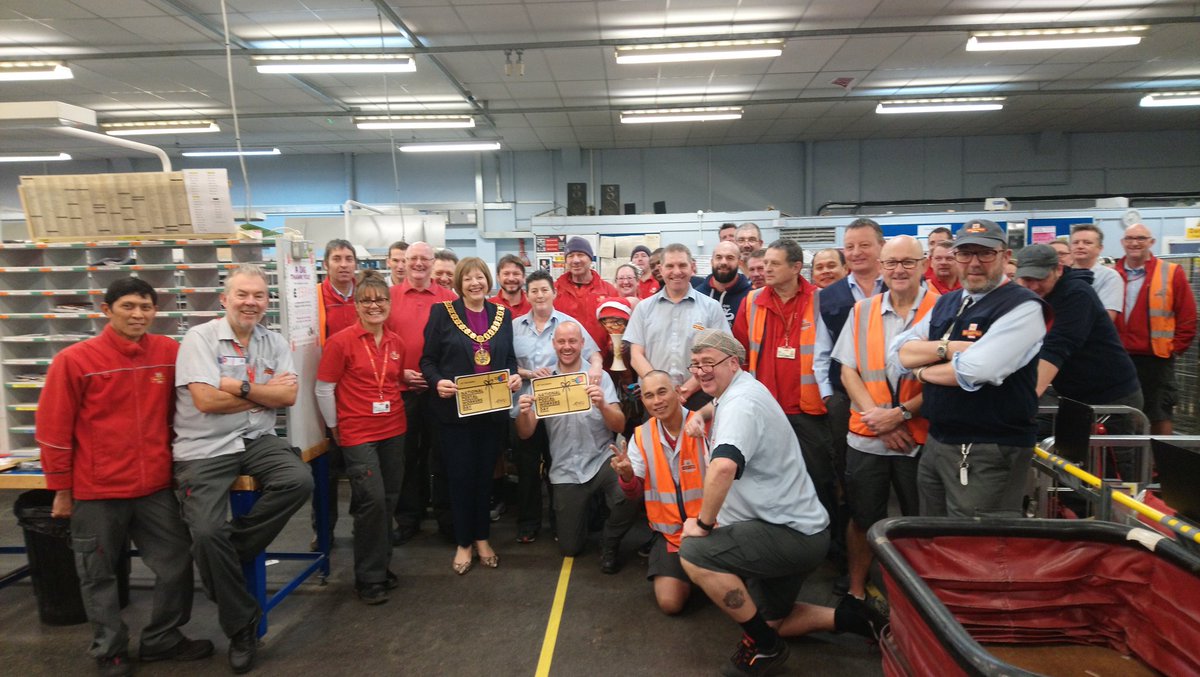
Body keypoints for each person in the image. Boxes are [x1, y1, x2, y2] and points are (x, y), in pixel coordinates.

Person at [678, 330, 879, 677]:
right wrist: (704, 413)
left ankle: (765, 648)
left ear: (732, 363)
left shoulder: (741, 405)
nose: (700, 371)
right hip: (801, 527)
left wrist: (705, 523)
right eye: (695, 365)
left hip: (785, 534)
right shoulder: (742, 387)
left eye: (708, 363)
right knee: (775, 621)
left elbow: (724, 466)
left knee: (695, 553)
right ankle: (859, 620)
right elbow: (724, 400)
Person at [38, 278, 212, 677]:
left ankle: (163, 638)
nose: (138, 315)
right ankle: (109, 648)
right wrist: (61, 491)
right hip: (96, 490)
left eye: (146, 307)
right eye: (129, 306)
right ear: (106, 310)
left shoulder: (169, 353)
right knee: (98, 573)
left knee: (175, 563)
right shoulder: (75, 360)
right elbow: (53, 430)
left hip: (154, 488)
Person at [172, 264, 313, 674]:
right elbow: (205, 401)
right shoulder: (199, 339)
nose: (251, 302)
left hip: (256, 440)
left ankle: (227, 556)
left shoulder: (272, 342)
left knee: (297, 480)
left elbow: (287, 396)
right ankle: (242, 626)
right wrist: (262, 396)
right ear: (225, 298)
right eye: (243, 295)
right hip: (206, 447)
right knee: (205, 531)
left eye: (259, 296)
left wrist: (238, 386)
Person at [894, 219, 1048, 518]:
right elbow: (896, 354)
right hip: (939, 442)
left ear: (1005, 257)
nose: (973, 263)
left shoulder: (1024, 307)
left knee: (977, 549)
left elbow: (976, 370)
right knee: (934, 541)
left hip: (987, 450)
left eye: (985, 254)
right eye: (965, 254)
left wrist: (921, 372)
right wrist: (947, 349)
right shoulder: (948, 302)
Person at [833, 236, 937, 603]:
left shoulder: (943, 311)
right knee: (862, 518)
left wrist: (901, 416)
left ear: (924, 264)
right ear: (881, 266)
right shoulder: (862, 312)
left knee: (918, 523)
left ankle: (915, 599)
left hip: (919, 437)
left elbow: (951, 376)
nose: (899, 270)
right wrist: (879, 419)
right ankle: (857, 591)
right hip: (868, 435)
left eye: (908, 262)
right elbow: (848, 370)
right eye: (891, 263)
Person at [421, 257, 522, 574]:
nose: (475, 283)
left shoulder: (502, 315)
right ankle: (464, 542)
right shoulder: (442, 313)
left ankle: (482, 538)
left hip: (491, 413)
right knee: (460, 479)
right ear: (459, 283)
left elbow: (509, 360)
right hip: (455, 414)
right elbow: (428, 360)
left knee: (485, 479)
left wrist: (516, 377)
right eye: (468, 279)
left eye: (480, 277)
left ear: (488, 280)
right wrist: (438, 382)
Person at [315, 271, 406, 605]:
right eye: (366, 300)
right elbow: (324, 387)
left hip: (394, 428)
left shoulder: (396, 342)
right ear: (356, 305)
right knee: (370, 501)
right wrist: (334, 427)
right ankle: (368, 577)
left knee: (388, 500)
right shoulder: (341, 342)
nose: (374, 305)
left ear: (389, 303)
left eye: (380, 299)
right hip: (357, 432)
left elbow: (393, 381)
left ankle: (380, 565)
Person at [730, 239, 836, 523]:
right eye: (765, 263)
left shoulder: (820, 300)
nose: (766, 269)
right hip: (765, 410)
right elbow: (740, 353)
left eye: (775, 264)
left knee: (820, 479)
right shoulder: (752, 302)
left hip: (809, 411)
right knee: (768, 478)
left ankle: (829, 543)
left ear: (796, 267)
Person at [1013, 245, 1143, 474]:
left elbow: (1057, 347)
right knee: (1074, 468)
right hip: (1073, 396)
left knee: (1112, 473)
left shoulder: (1076, 294)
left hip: (1111, 397)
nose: (1033, 286)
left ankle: (1116, 510)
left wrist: (1022, 401)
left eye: (1039, 278)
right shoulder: (1033, 297)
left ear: (1058, 270)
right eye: (1026, 279)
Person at [515, 322, 631, 573]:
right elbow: (525, 433)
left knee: (628, 493)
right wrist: (524, 412)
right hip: (566, 468)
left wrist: (602, 405)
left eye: (572, 341)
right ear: (554, 344)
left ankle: (609, 541)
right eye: (561, 342)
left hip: (601, 460)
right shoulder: (544, 382)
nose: (567, 347)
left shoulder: (599, 377)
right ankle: (589, 512)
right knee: (570, 548)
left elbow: (620, 423)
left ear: (582, 344)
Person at [511, 270, 603, 543]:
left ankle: (558, 519)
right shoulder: (514, 326)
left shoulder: (568, 324)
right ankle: (528, 523)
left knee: (556, 463)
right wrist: (528, 374)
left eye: (544, 290)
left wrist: (597, 368)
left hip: (559, 409)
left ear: (554, 293)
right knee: (526, 467)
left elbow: (593, 352)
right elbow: (503, 363)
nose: (539, 295)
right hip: (526, 406)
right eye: (534, 291)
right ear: (526, 295)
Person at [611, 370, 707, 614]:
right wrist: (627, 475)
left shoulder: (704, 424)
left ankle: (703, 572)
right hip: (671, 534)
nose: (657, 401)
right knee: (670, 604)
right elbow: (633, 493)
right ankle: (692, 573)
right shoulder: (641, 436)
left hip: (712, 530)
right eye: (649, 396)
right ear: (643, 401)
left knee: (735, 596)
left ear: (678, 392)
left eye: (662, 392)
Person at [388, 242, 457, 544]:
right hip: (401, 389)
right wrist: (399, 372)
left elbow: (457, 347)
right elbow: (381, 343)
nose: (418, 263)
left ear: (432, 263)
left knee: (442, 456)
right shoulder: (389, 298)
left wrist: (437, 377)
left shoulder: (450, 299)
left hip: (439, 391)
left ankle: (446, 518)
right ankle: (408, 518)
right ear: (402, 262)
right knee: (406, 457)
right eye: (412, 258)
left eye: (423, 259)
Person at [625, 243, 730, 411]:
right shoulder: (643, 309)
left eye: (682, 265)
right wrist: (661, 389)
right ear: (660, 269)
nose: (676, 272)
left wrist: (685, 390)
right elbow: (636, 356)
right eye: (670, 266)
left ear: (692, 267)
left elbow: (719, 355)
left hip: (700, 396)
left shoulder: (711, 308)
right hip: (655, 400)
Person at [1115, 223, 1196, 435]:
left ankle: (1160, 466)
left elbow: (1187, 316)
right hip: (1118, 357)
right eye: (1130, 238)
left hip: (1156, 358)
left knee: (1159, 412)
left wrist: (1174, 348)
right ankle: (1127, 464)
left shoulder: (1170, 273)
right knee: (1121, 413)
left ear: (1151, 242)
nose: (1135, 243)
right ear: (1123, 243)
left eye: (1141, 238)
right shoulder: (1112, 273)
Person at [555, 236, 621, 359]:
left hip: (602, 365)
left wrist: (613, 344)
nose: (575, 260)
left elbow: (616, 327)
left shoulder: (609, 291)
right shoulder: (555, 291)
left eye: (580, 254)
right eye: (570, 256)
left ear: (590, 259)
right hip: (565, 366)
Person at [1069, 224, 1122, 321]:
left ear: (1100, 248)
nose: (1080, 246)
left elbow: (1107, 318)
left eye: (1087, 243)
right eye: (1075, 242)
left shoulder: (1109, 277)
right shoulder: (1062, 275)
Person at [695, 241, 753, 325]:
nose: (723, 262)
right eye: (718, 257)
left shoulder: (750, 297)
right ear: (711, 262)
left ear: (739, 263)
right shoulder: (698, 295)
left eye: (730, 258)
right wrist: (703, 330)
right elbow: (693, 327)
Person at [318, 239, 358, 346]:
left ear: (355, 264)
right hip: (328, 359)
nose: (344, 265)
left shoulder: (365, 294)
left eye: (349, 259)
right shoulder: (316, 295)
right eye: (337, 259)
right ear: (326, 264)